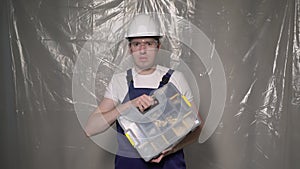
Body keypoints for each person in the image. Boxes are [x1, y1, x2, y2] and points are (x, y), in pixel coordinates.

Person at [85, 14, 202, 169]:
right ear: (130, 48)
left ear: (158, 46)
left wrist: (171, 150)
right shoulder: (120, 81)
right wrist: (127, 105)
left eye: (148, 43)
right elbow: (90, 129)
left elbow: (197, 127)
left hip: (170, 164)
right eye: (136, 44)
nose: (142, 50)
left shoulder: (175, 78)